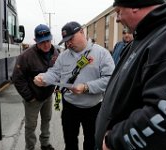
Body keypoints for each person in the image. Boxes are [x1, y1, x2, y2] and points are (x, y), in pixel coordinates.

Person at [95, 0, 166, 150]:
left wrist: (115, 141)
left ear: (135, 6)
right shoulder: (146, 36)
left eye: (118, 11)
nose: (117, 19)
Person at [33, 21, 115, 150]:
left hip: (94, 108)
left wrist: (86, 87)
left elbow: (110, 79)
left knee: (91, 142)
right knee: (70, 142)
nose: (68, 43)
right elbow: (55, 72)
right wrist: (43, 77)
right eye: (66, 41)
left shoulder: (102, 54)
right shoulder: (63, 56)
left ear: (82, 32)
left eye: (71, 38)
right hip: (70, 107)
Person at [12, 24, 59, 150]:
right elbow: (17, 78)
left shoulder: (55, 52)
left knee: (46, 120)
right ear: (35, 41)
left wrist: (56, 89)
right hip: (33, 99)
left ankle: (45, 143)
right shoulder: (26, 56)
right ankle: (30, 147)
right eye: (42, 42)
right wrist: (29, 97)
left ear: (51, 38)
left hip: (48, 96)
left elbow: (59, 72)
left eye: (48, 40)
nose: (46, 45)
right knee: (30, 126)